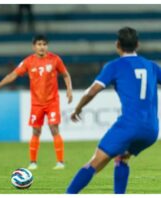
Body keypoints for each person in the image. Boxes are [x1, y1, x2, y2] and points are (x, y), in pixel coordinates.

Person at [66, 27, 160, 194]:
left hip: (129, 125)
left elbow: (92, 91)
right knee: (122, 158)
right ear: (137, 44)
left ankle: (68, 194)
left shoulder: (114, 66)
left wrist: (78, 108)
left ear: (117, 45)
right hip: (152, 129)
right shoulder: (151, 66)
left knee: (94, 162)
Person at [0, 35, 73, 170]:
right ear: (34, 46)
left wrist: (69, 89)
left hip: (52, 102)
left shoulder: (55, 59)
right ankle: (33, 162)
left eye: (44, 44)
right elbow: (13, 75)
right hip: (36, 103)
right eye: (39, 44)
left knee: (54, 129)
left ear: (47, 46)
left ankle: (60, 162)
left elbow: (65, 74)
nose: (42, 47)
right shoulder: (28, 61)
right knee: (36, 131)